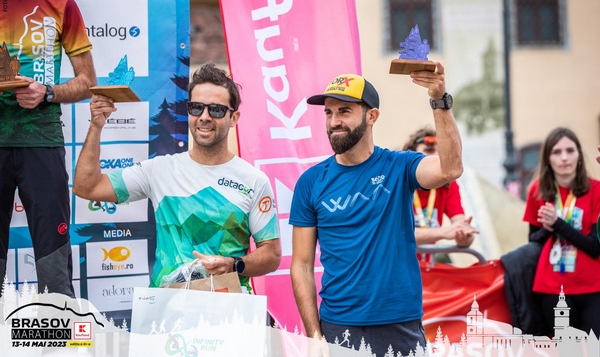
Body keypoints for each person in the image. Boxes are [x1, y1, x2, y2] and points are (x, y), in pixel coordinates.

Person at [290, 63, 463, 356]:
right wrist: (314, 335)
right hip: (338, 326)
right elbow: (302, 265)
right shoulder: (311, 182)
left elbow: (451, 169)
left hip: (399, 323)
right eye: (329, 113)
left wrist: (439, 102)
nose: (334, 122)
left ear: (371, 116)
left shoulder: (399, 166)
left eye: (344, 111)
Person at [72, 63, 281, 292]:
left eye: (216, 110)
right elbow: (87, 187)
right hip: (167, 307)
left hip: (228, 307)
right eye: (196, 108)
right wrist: (96, 126)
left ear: (234, 118)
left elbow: (271, 255)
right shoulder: (159, 169)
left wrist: (233, 264)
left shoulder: (253, 180)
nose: (204, 117)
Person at [0, 0, 96, 296]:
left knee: (53, 262)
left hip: (42, 141)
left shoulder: (60, 5)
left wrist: (48, 92)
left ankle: (59, 328)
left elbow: (88, 81)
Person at [522, 127, 600, 336]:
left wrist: (557, 223)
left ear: (579, 156)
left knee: (596, 348)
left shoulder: (596, 189)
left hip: (593, 286)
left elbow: (595, 247)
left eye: (570, 150)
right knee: (566, 350)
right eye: (556, 152)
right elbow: (533, 241)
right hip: (552, 287)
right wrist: (548, 229)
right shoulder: (537, 190)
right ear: (548, 159)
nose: (564, 158)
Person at [402, 127, 477, 248]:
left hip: (428, 259)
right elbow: (397, 233)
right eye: (429, 150)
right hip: (395, 259)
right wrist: (445, 232)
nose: (438, 157)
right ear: (410, 156)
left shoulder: (448, 184)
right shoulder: (397, 182)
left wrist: (465, 236)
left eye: (442, 153)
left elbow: (460, 224)